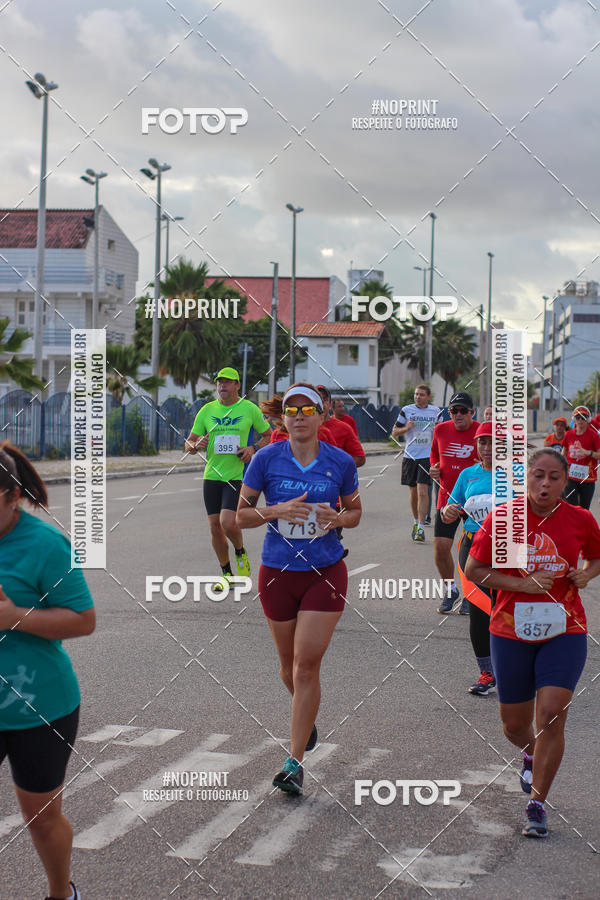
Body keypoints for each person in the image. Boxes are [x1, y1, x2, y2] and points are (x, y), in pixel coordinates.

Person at [466, 449, 600, 838]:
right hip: (510, 630)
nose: (545, 484)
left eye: (554, 477)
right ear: (527, 478)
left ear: (565, 482)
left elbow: (596, 555)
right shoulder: (504, 519)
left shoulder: (580, 519)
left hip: (566, 629)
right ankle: (530, 751)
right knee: (513, 724)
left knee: (553, 715)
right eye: (538, 475)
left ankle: (537, 804)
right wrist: (521, 584)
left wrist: (587, 574)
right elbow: (476, 571)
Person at [236, 383, 361, 794]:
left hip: (324, 572)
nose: (300, 415)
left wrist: (338, 519)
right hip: (277, 572)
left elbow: (356, 512)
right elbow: (241, 516)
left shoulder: (340, 461)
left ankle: (294, 762)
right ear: (282, 417)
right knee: (288, 667)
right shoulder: (266, 459)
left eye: (308, 409)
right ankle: (304, 721)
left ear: (323, 415)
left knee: (306, 665)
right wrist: (277, 510)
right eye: (292, 409)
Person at [0, 442, 95, 900]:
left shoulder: (44, 544)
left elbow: (83, 619)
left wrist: (12, 616)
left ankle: (62, 895)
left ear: (11, 496)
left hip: (38, 708)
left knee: (41, 820)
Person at [185, 367, 271, 588]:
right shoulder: (206, 410)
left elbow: (268, 435)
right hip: (212, 475)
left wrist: (252, 448)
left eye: (227, 382)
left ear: (237, 385)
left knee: (227, 522)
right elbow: (188, 443)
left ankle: (240, 552)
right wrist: (196, 446)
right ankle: (226, 574)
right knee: (215, 527)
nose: (222, 385)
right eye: (219, 382)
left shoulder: (249, 409)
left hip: (238, 475)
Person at [440, 422, 508, 694]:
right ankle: (487, 672)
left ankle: (516, 667)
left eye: (493, 442)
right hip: (473, 547)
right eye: (482, 442)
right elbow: (451, 505)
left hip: (506, 549)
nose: (487, 448)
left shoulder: (515, 475)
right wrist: (447, 512)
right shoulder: (468, 475)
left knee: (506, 608)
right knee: (478, 612)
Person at [430, 392, 479, 614]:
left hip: (475, 502)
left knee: (472, 552)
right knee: (441, 548)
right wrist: (435, 466)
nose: (457, 414)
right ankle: (450, 590)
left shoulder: (481, 431)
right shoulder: (440, 430)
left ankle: (471, 593)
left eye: (462, 410)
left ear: (472, 412)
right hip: (447, 497)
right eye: (453, 410)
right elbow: (434, 453)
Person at [391, 384, 439, 542]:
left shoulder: (435, 412)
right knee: (413, 493)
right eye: (416, 394)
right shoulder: (406, 410)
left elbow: (440, 434)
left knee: (423, 492)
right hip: (410, 456)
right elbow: (394, 432)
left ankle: (420, 526)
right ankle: (415, 521)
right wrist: (407, 428)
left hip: (427, 457)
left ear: (428, 397)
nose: (418, 397)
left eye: (421, 394)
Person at [316, 385, 366, 467]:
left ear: (329, 404)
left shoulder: (346, 426)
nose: (321, 403)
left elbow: (360, 458)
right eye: (317, 400)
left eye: (325, 399)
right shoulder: (305, 429)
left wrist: (336, 468)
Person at [562, 405, 600, 509]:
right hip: (570, 478)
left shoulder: (594, 436)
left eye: (583, 417)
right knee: (571, 507)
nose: (580, 420)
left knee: (584, 509)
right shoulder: (568, 434)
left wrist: (587, 452)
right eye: (577, 417)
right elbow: (564, 451)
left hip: (588, 479)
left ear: (588, 419)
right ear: (573, 419)